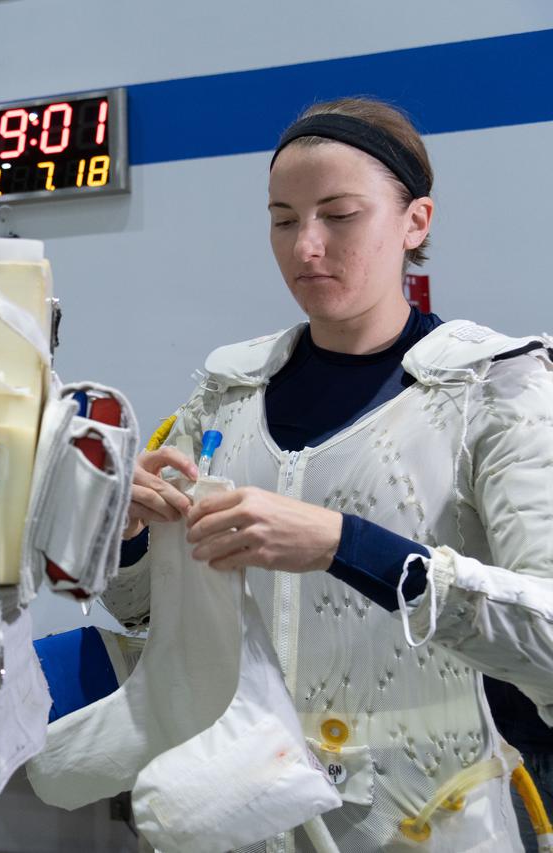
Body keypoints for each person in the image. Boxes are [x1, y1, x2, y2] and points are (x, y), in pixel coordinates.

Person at [106, 97, 553, 851]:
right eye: (283, 219)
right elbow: (140, 608)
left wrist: (345, 543)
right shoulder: (227, 394)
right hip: (239, 806)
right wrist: (126, 537)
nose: (306, 246)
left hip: (430, 819)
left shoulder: (493, 389)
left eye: (339, 215)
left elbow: (544, 631)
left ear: (416, 222)